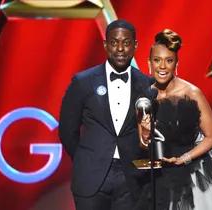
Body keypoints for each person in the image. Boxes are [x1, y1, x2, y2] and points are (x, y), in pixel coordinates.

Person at [138, 29, 212, 210]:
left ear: (176, 64)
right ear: (149, 63)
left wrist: (184, 158)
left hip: (196, 171)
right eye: (157, 60)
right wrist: (146, 134)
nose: (162, 66)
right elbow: (143, 144)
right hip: (163, 174)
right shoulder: (144, 96)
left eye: (169, 61)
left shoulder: (191, 93)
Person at [58, 20, 153, 210]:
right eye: (114, 42)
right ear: (105, 45)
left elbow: (152, 134)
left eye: (126, 43)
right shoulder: (83, 81)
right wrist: (86, 159)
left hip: (132, 178)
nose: (119, 48)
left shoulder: (148, 85)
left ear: (135, 46)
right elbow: (67, 130)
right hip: (90, 176)